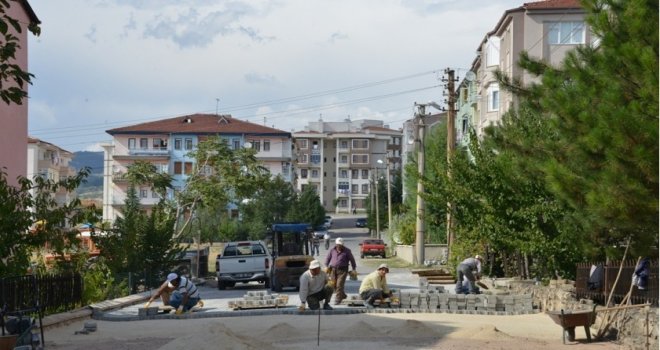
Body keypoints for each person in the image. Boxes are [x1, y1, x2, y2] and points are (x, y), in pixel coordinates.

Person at [324, 237, 356, 305]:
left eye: (340, 244)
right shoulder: (332, 250)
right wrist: (326, 266)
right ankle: (342, 295)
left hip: (343, 270)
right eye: (338, 244)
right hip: (333, 270)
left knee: (339, 285)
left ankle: (338, 299)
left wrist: (354, 268)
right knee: (333, 285)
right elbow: (328, 258)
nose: (339, 246)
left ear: (342, 244)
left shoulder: (347, 251)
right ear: (336, 244)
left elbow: (352, 260)